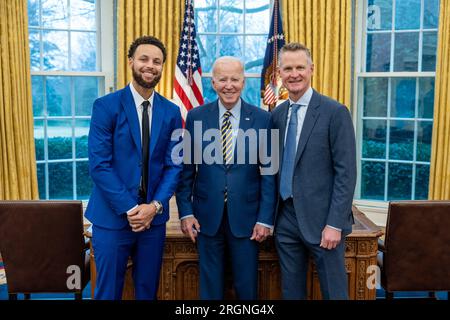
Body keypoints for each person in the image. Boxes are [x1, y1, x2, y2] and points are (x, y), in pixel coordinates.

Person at [85, 35, 183, 300]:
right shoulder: (106, 106)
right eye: (144, 59)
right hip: (112, 219)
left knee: (147, 292)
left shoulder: (172, 112)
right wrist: (131, 209)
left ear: (162, 66)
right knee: (108, 293)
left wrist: (155, 207)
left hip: (153, 221)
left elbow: (174, 165)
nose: (150, 66)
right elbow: (99, 165)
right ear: (131, 62)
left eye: (157, 61)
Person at [176, 56, 276, 300]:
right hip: (206, 219)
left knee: (247, 287)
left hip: (248, 220)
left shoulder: (264, 119)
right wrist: (186, 212)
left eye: (235, 79)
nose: (228, 85)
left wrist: (265, 218)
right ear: (213, 82)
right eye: (222, 79)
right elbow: (186, 171)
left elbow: (269, 175)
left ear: (243, 82)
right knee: (209, 289)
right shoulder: (196, 117)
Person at [272, 42, 357, 300]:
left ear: (312, 69)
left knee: (334, 293)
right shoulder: (277, 114)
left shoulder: (335, 112)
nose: (294, 74)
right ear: (280, 73)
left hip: (324, 223)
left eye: (300, 67)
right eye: (288, 68)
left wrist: (334, 223)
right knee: (291, 292)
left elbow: (346, 173)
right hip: (285, 218)